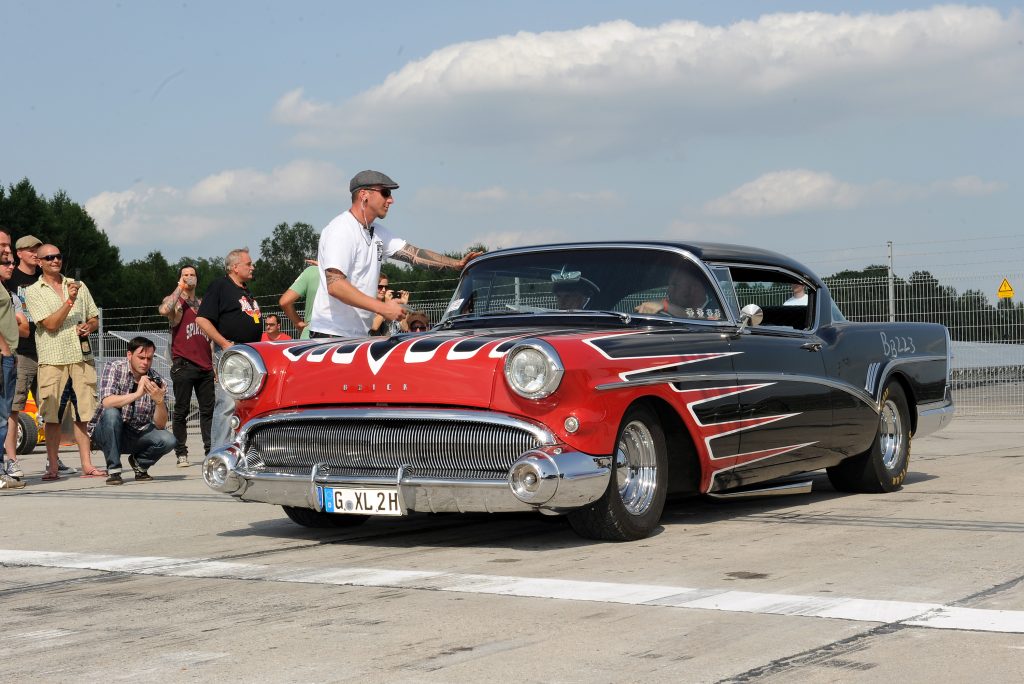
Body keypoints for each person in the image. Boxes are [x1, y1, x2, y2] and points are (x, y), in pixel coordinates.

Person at [308, 170, 482, 338]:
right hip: (331, 334)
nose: (391, 200)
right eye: (385, 193)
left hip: (356, 334)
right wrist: (383, 308)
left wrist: (456, 263)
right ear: (364, 195)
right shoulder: (341, 230)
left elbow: (414, 254)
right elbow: (335, 285)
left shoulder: (377, 232)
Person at [24, 244, 107, 480]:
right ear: (39, 262)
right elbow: (50, 324)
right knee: (52, 418)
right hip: (53, 361)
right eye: (49, 257)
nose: (55, 260)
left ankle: (87, 465)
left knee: (83, 416)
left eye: (58, 256)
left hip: (81, 359)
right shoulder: (34, 291)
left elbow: (94, 317)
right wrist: (70, 301)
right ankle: (52, 466)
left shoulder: (78, 285)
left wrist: (88, 326)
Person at [4, 233, 77, 476]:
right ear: (19, 253)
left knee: (51, 408)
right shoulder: (11, 277)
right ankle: (11, 460)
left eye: (39, 250)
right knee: (14, 407)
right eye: (31, 250)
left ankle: (53, 460)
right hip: (22, 352)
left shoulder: (43, 278)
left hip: (46, 350)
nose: (37, 254)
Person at [195, 248, 261, 450]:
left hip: (250, 353)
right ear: (234, 267)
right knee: (227, 404)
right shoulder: (221, 286)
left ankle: (241, 449)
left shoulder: (244, 290)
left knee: (247, 403)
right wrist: (224, 343)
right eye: (248, 264)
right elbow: (202, 319)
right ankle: (218, 452)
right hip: (232, 353)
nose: (252, 267)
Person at [88, 336, 176, 486]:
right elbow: (107, 402)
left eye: (149, 359)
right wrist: (137, 394)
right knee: (111, 414)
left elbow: (160, 425)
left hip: (136, 433)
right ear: (129, 355)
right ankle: (114, 470)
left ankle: (139, 464)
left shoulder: (158, 381)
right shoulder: (115, 367)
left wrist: (159, 402)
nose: (145, 362)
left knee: (169, 440)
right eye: (141, 358)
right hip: (107, 431)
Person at [158, 264, 214, 468]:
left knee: (208, 411)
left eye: (192, 275)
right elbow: (164, 310)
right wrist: (180, 287)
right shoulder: (175, 301)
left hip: (205, 365)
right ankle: (181, 452)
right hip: (183, 364)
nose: (189, 277)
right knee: (181, 410)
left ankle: (210, 451)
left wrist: (214, 364)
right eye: (185, 275)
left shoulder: (203, 304)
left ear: (197, 279)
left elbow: (210, 336)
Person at [0, 233, 27, 489]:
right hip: (3, 356)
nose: (9, 256)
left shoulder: (7, 290)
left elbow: (25, 328)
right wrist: (5, 349)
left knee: (4, 413)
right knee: (2, 415)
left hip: (9, 356)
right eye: (3, 248)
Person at [635, 267, 722, 320]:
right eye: (669, 285)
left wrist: (665, 305)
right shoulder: (666, 313)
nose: (669, 290)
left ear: (694, 288)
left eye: (675, 285)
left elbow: (704, 318)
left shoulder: (719, 309)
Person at [279, 263, 319, 340]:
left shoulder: (312, 271)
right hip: (340, 337)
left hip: (310, 335)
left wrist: (298, 323)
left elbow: (285, 302)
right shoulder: (344, 274)